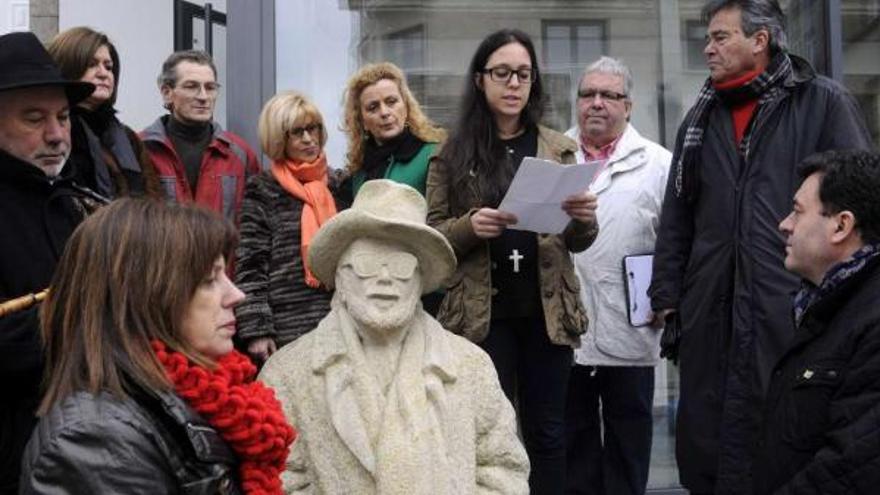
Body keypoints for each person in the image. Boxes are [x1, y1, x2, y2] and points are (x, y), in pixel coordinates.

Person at [648, 1, 874, 493]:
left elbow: (860, 203)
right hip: (710, 310)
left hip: (787, 307)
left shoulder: (823, 103)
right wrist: (667, 295)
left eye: (720, 37)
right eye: (707, 38)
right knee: (708, 444)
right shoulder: (699, 119)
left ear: (760, 41)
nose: (707, 48)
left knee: (778, 440)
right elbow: (678, 214)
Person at [259, 179, 529, 494]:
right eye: (367, 264)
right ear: (340, 278)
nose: (385, 278)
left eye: (402, 266)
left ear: (420, 281)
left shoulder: (470, 367)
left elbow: (503, 470)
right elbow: (274, 479)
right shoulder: (287, 375)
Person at [19, 198, 295, 494]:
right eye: (208, 280)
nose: (236, 295)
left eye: (225, 275)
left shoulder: (200, 399)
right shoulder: (95, 441)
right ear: (145, 299)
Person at [426, 28, 599, 494]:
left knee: (548, 433)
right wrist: (468, 228)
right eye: (502, 73)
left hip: (547, 316)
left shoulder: (559, 147)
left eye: (523, 73)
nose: (514, 83)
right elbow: (431, 235)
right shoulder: (451, 151)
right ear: (480, 79)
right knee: (488, 437)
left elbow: (579, 242)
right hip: (483, 320)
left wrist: (582, 219)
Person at [563, 56, 672, 495]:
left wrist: (670, 296)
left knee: (630, 445)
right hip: (567, 330)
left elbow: (677, 242)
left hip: (632, 328)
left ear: (628, 106)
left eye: (609, 95)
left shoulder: (659, 165)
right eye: (588, 94)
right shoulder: (555, 156)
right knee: (575, 447)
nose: (596, 103)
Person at [0, 31, 95, 493]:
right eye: (34, 118)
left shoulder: (80, 202)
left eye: (62, 117)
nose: (57, 134)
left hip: (84, 445)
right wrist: (89, 315)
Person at [753, 150, 880, 493]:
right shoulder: (820, 304)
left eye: (797, 211)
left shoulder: (869, 319)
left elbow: (853, 466)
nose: (784, 224)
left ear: (841, 225)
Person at [235, 91, 338, 364]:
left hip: (340, 324)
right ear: (280, 139)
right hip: (286, 330)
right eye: (296, 132)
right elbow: (250, 263)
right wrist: (257, 329)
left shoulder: (340, 184)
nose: (308, 138)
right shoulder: (263, 189)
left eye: (312, 128)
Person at [141, 50, 260, 223]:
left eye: (210, 87)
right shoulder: (141, 149)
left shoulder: (240, 154)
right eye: (191, 86)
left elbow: (255, 225)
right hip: (163, 251)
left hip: (222, 250)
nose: (204, 97)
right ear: (167, 92)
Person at [47, 26, 160, 199]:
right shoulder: (54, 133)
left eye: (108, 67)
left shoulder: (129, 137)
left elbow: (153, 198)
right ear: (68, 67)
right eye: (92, 64)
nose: (103, 74)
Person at [339, 61, 445, 202]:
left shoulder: (433, 155)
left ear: (406, 107)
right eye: (373, 107)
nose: (384, 112)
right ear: (362, 121)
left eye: (391, 102)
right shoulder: (357, 174)